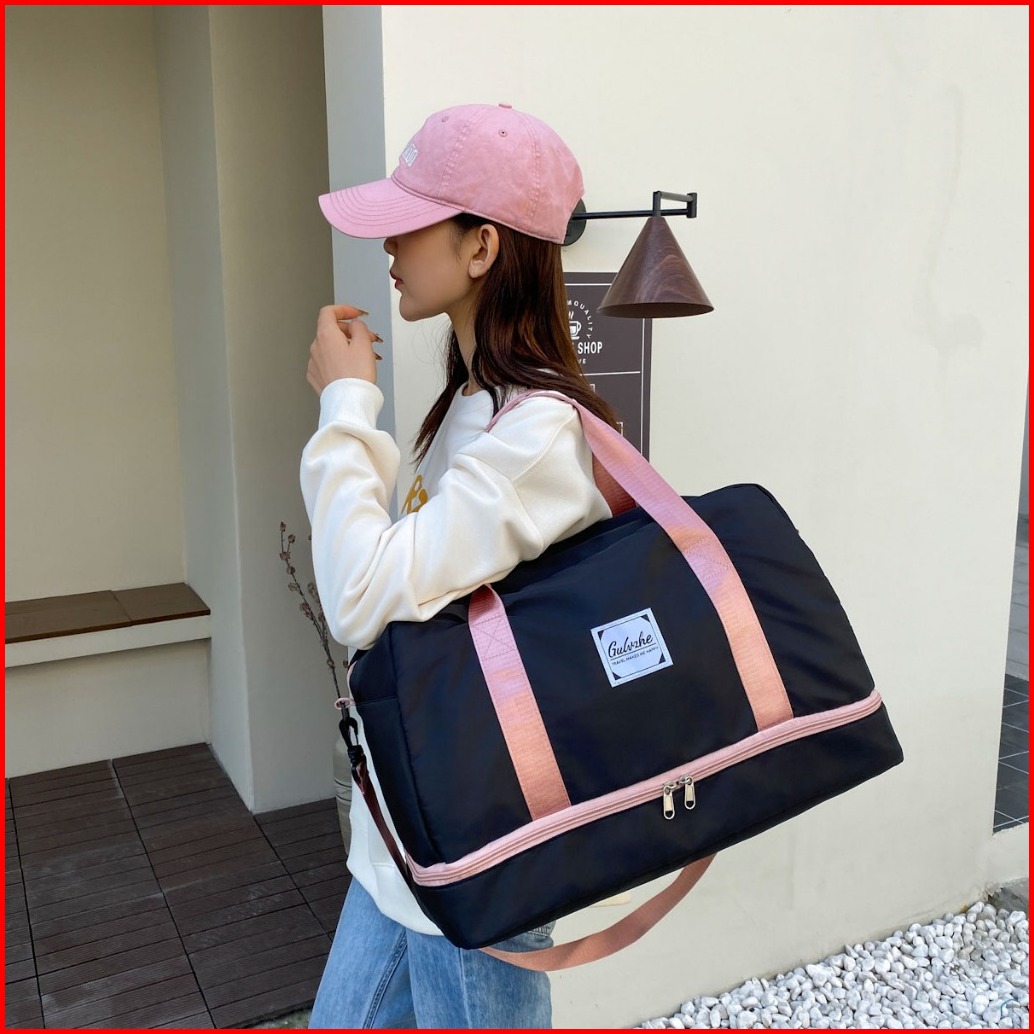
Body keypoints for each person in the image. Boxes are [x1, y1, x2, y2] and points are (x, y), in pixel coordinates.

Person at [300, 102, 620, 1030]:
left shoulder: (535, 434)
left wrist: (347, 407)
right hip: (409, 834)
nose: (390, 245)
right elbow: (397, 573)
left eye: (413, 222)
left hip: (482, 839)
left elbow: (358, 597)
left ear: (482, 247)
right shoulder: (472, 408)